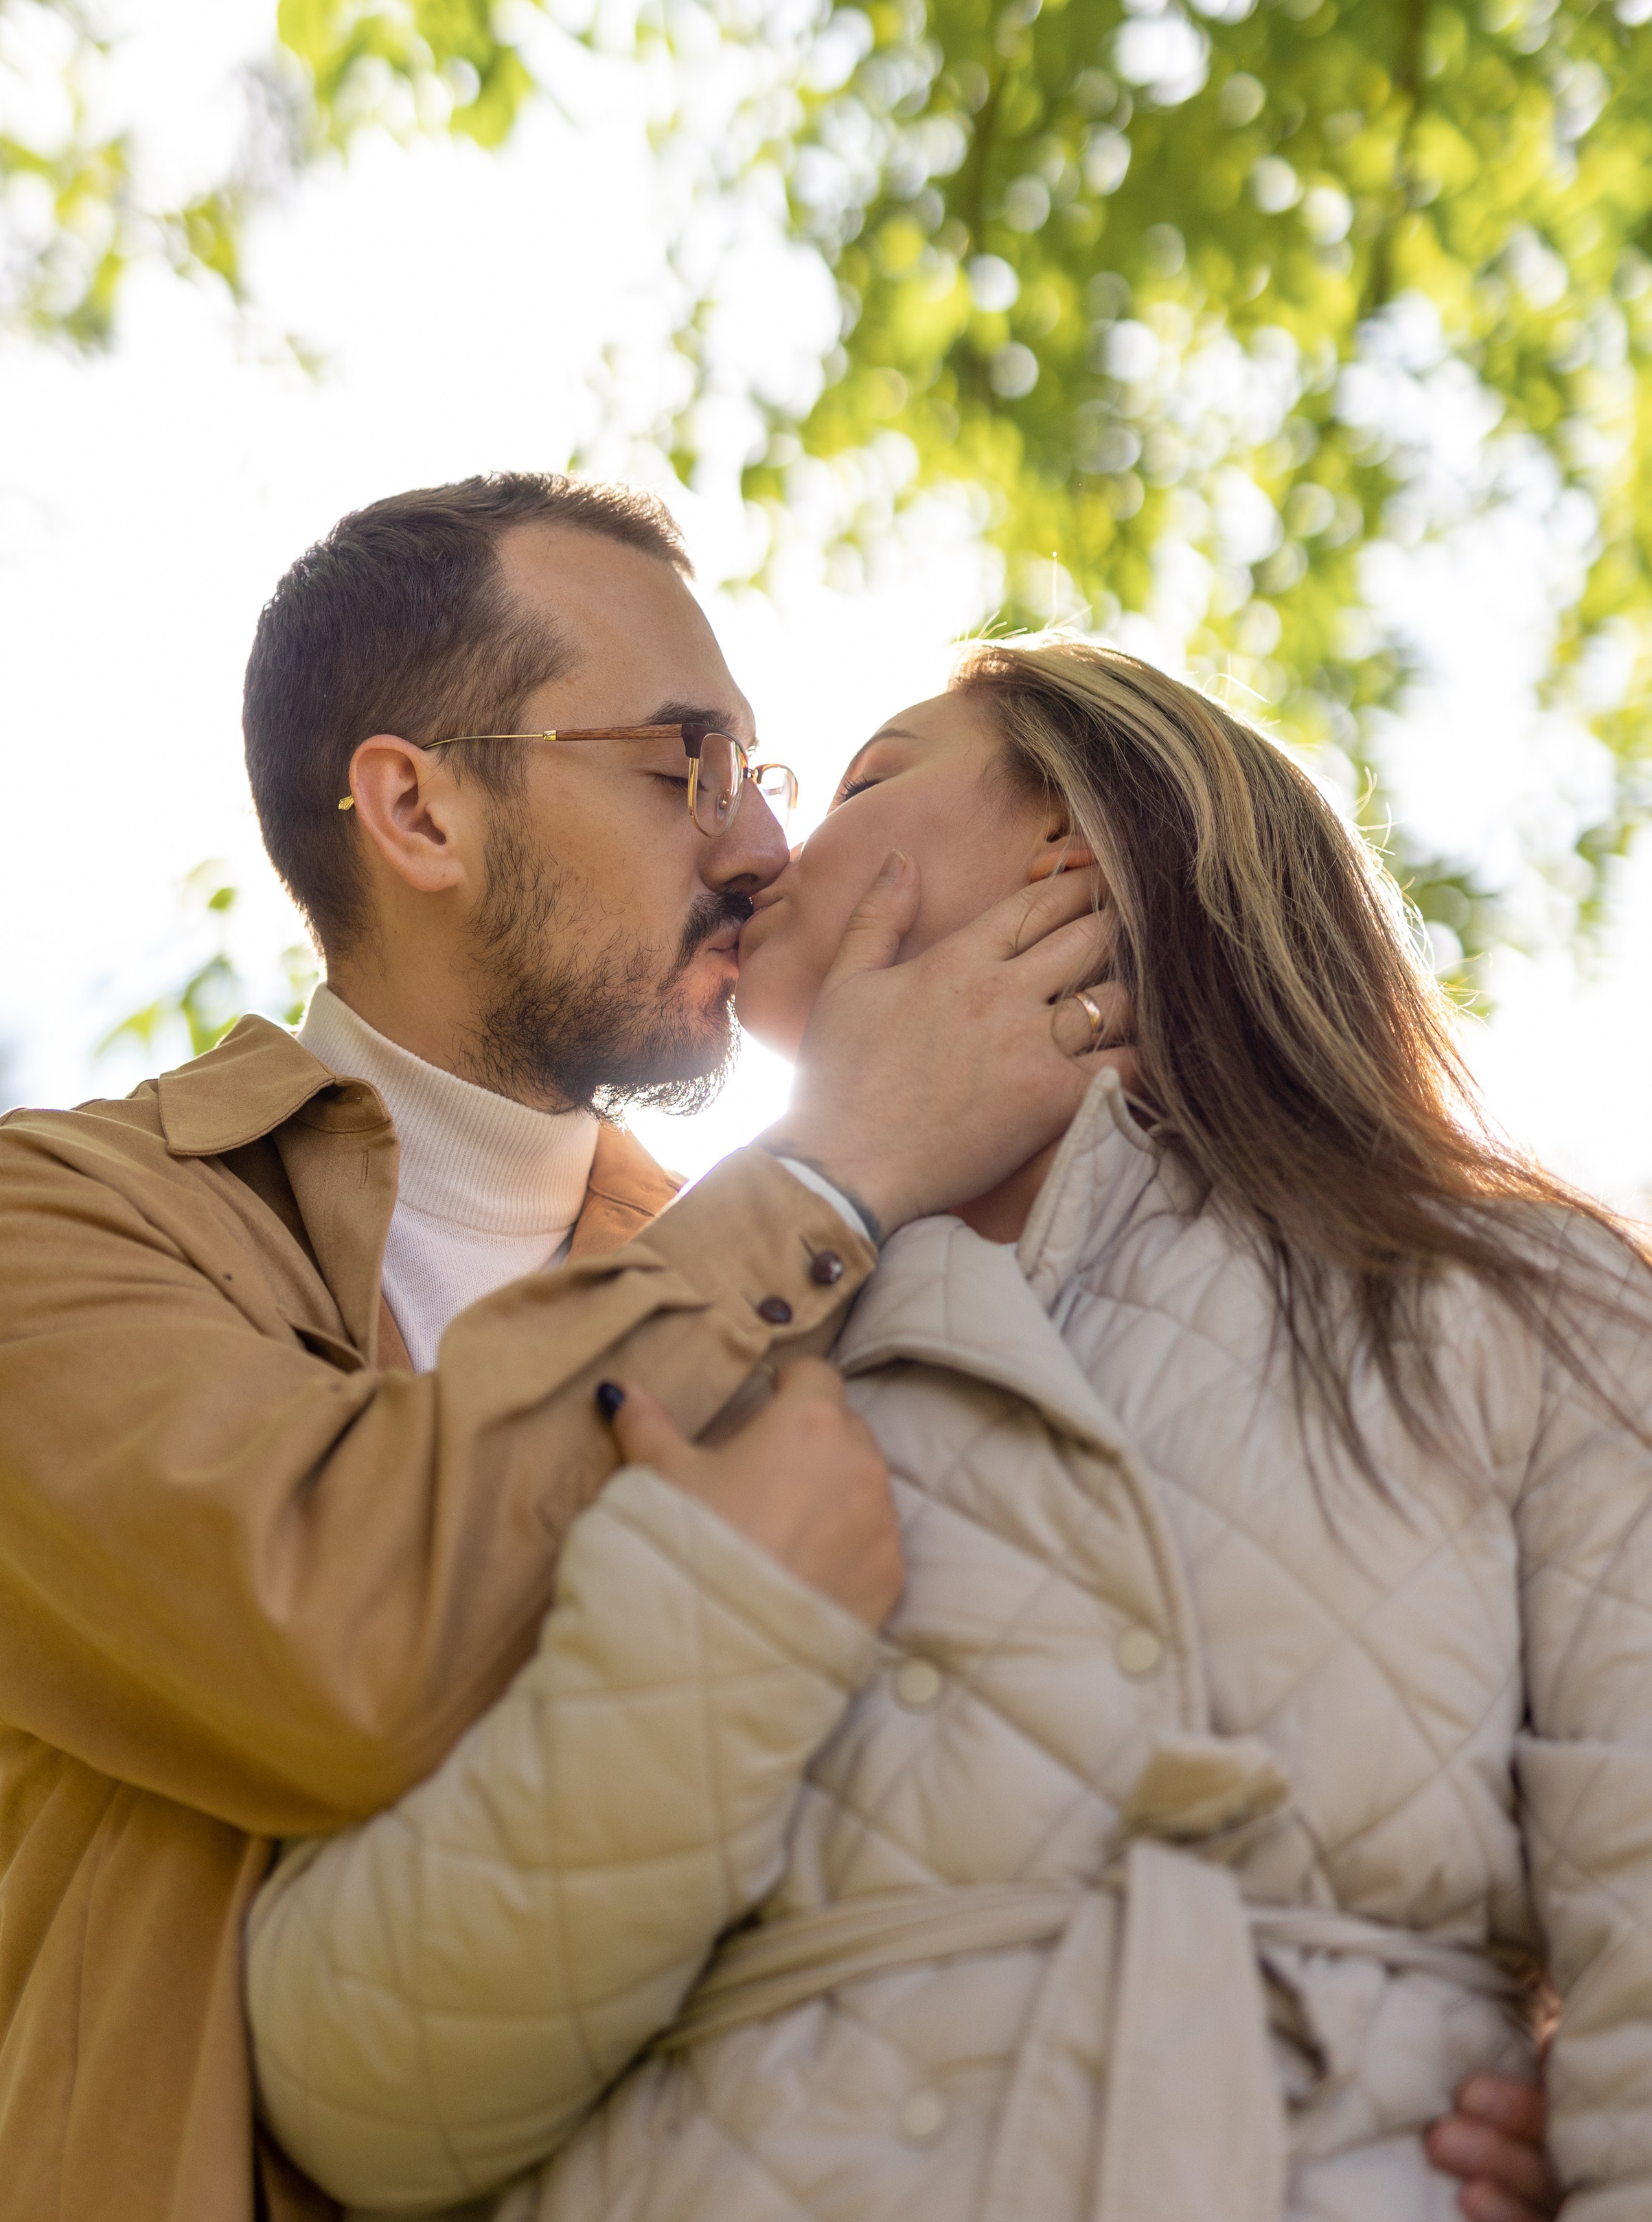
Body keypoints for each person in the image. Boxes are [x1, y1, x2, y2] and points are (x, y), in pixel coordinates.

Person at [240, 636, 1631, 2222]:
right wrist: (714, 1632)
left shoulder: (1519, 1307)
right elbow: (351, 2085)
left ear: (1073, 838)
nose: (755, 847)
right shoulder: (665, 1344)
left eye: (859, 781)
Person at [0, 477, 1139, 2222]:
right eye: (678, 763)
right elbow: (338, 1650)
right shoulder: (47, 1224)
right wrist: (835, 1161)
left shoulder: (813, 1280)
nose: (759, 848)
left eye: (758, 773)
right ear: (416, 811)